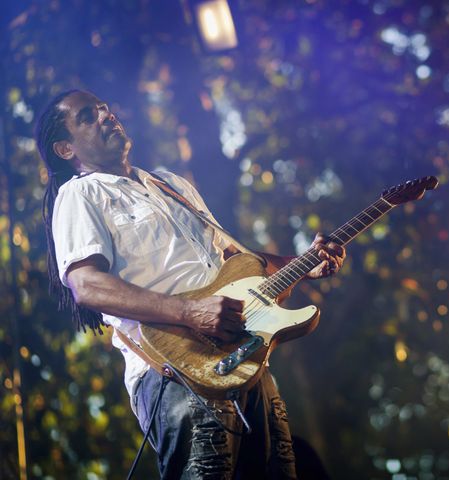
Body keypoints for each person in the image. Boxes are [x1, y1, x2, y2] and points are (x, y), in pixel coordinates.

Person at [36, 89, 345, 479]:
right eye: (87, 116)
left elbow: (239, 263)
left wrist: (304, 264)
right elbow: (87, 285)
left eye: (105, 109)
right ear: (65, 149)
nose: (105, 116)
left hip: (245, 358)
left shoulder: (170, 183)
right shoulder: (81, 194)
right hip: (176, 373)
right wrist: (189, 312)